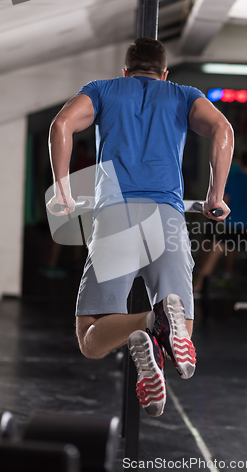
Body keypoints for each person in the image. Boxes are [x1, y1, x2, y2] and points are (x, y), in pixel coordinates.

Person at [46, 38, 234, 417]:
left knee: (91, 339)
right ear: (165, 73)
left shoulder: (104, 90)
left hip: (118, 218)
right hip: (168, 219)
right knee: (183, 331)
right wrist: (215, 195)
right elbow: (222, 129)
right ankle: (158, 324)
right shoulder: (182, 94)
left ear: (125, 71)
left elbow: (61, 124)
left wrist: (64, 191)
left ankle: (150, 320)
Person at [194, 151, 247, 294]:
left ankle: (197, 287)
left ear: (241, 163)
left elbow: (224, 202)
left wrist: (219, 223)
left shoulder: (231, 181)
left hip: (231, 225)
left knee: (212, 259)